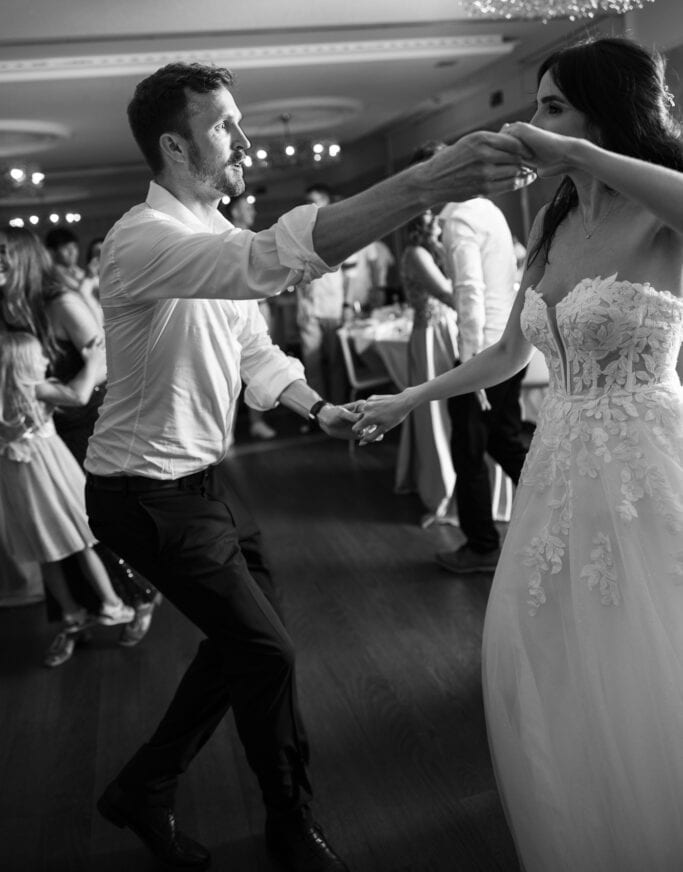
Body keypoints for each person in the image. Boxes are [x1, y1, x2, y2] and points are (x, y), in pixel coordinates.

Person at [81, 60, 528, 872]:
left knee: (249, 646)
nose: (244, 138)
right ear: (176, 147)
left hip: (206, 488)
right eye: (224, 125)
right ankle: (282, 818)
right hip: (140, 494)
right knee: (265, 651)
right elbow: (268, 263)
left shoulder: (210, 235)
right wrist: (425, 181)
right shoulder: (141, 239)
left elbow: (254, 348)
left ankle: (153, 789)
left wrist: (317, 408)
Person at [352, 36, 683, 871]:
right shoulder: (551, 218)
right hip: (560, 462)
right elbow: (507, 354)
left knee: (651, 647)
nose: (532, 125)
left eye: (551, 105)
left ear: (603, 115)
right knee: (553, 647)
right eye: (538, 108)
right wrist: (409, 398)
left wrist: (574, 151)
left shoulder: (658, 211)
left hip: (648, 458)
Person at [0, 227, 160, 650]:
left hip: (85, 420)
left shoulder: (62, 301)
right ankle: (78, 615)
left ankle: (137, 597)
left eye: (2, 255)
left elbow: (106, 358)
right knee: (50, 527)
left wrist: (66, 389)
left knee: (90, 520)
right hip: (44, 425)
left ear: (23, 257)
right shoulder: (10, 306)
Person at [0, 331, 135, 667]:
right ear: (24, 365)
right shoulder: (34, 389)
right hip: (52, 477)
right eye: (40, 358)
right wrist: (92, 362)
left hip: (19, 485)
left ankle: (73, 614)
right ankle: (110, 604)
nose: (46, 361)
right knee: (79, 542)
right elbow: (77, 395)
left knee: (46, 552)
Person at [435, 140, 529, 573]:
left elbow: (468, 290)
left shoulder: (457, 218)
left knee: (469, 451)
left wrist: (467, 362)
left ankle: (482, 546)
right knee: (504, 438)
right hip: (508, 341)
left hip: (484, 352)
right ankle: (556, 511)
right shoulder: (488, 209)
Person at [396, 208, 458, 521]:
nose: (439, 222)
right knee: (434, 413)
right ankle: (441, 490)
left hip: (446, 333)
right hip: (431, 337)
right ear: (419, 222)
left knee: (452, 413)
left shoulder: (433, 251)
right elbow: (448, 294)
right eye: (433, 218)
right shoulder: (415, 254)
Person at [224, 194, 277, 440]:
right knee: (230, 370)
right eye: (248, 207)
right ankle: (227, 430)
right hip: (235, 310)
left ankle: (257, 420)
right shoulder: (225, 237)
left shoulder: (256, 237)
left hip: (260, 306)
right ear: (235, 211)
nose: (252, 212)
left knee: (262, 365)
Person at [295, 184, 346, 414]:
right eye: (307, 201)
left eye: (314, 200)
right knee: (312, 364)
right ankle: (319, 413)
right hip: (309, 308)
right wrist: (300, 305)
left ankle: (341, 408)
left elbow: (351, 275)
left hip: (334, 306)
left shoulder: (338, 229)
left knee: (336, 363)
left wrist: (347, 305)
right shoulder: (300, 233)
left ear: (325, 202)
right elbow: (294, 271)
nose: (309, 206)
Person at [45, 226, 85, 291]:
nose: (72, 252)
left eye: (74, 247)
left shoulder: (80, 272)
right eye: (66, 248)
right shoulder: (50, 277)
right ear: (52, 252)